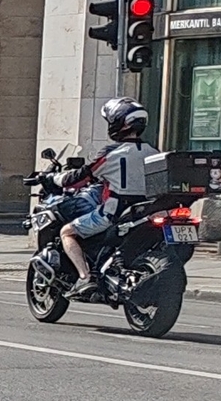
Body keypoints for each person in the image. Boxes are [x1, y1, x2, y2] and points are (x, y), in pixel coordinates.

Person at [61, 99, 154, 298]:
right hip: (143, 214)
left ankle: (85, 277)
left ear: (118, 124)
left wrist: (57, 178)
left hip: (114, 214)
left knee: (67, 232)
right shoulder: (154, 153)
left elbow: (83, 176)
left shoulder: (112, 154)